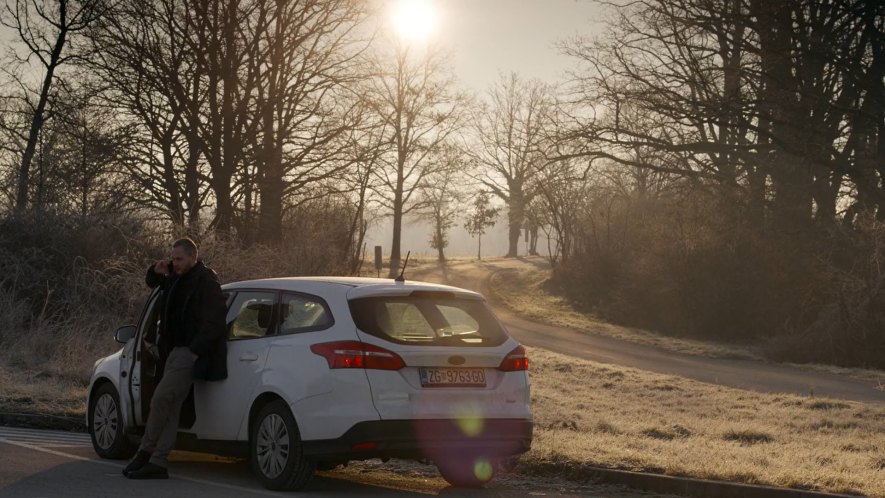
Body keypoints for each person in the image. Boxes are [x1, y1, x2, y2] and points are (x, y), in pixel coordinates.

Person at [123, 237, 228, 479]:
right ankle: (157, 462)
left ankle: (145, 452)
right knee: (170, 407)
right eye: (173, 259)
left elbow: (215, 320)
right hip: (170, 351)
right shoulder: (176, 277)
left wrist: (194, 350)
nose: (175, 263)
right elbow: (154, 284)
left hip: (187, 352)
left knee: (161, 399)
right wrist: (156, 271)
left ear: (193, 257)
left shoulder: (205, 281)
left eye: (179, 259)